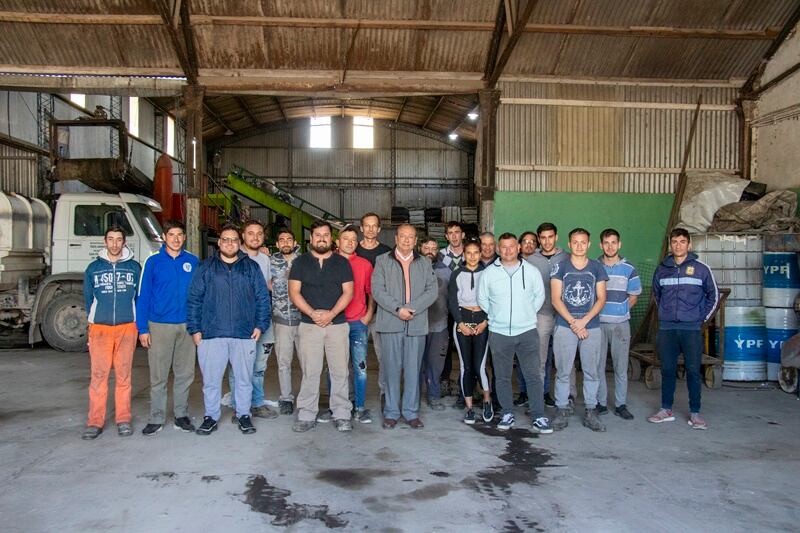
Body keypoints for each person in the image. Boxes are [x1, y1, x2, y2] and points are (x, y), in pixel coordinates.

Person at [186, 224, 271, 436]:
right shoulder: (206, 267)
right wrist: (195, 329)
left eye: (234, 239)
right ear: (219, 242)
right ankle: (211, 417)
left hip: (244, 334)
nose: (230, 243)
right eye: (226, 239)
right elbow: (194, 299)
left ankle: (243, 415)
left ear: (238, 242)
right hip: (211, 334)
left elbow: (262, 297)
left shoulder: (251, 267)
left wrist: (260, 325)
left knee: (244, 380)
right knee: (211, 382)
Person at [477, 233, 551, 433]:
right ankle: (507, 413)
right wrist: (496, 316)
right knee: (502, 376)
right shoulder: (489, 273)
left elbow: (539, 297)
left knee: (533, 375)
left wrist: (526, 315)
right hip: (499, 333)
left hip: (527, 331)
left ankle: (538, 416)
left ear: (518, 248)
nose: (508, 250)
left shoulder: (532, 271)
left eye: (512, 246)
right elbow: (482, 299)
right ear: (498, 249)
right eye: (504, 247)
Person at [649, 228, 718, 430]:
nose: (678, 245)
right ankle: (665, 409)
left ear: (689, 245)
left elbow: (712, 297)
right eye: (674, 242)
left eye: (682, 241)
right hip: (667, 327)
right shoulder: (661, 269)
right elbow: (657, 295)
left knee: (693, 370)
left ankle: (695, 413)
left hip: (691, 328)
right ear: (670, 245)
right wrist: (665, 313)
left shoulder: (701, 269)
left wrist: (699, 318)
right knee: (668, 369)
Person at [289, 221, 354, 433]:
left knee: (340, 371)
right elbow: (294, 292)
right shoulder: (300, 263)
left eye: (326, 235)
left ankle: (342, 413)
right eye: (318, 235)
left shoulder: (342, 263)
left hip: (337, 325)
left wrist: (332, 314)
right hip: (309, 325)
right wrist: (312, 313)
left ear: (331, 238)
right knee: (310, 371)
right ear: (311, 238)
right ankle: (307, 413)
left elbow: (348, 292)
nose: (322, 238)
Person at [136, 220, 199, 437]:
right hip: (159, 325)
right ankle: (156, 417)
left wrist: (197, 324)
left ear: (184, 237)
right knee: (159, 375)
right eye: (171, 235)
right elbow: (143, 296)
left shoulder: (193, 261)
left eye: (179, 234)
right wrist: (142, 328)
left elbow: (199, 295)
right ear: (164, 237)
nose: (176, 239)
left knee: (185, 374)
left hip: (187, 325)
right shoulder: (153, 262)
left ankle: (181, 416)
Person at [372, 224, 438, 429]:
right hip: (391, 322)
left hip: (416, 324)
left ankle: (411, 412)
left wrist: (412, 308)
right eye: (403, 236)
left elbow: (432, 290)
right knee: (391, 370)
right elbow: (377, 290)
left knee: (412, 370)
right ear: (396, 239)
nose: (407, 240)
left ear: (416, 241)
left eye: (411, 237)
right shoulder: (382, 261)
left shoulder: (425, 263)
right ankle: (391, 412)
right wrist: (398, 309)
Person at [81, 227, 141, 440]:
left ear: (125, 242)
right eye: (111, 239)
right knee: (99, 375)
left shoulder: (135, 268)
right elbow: (88, 299)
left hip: (127, 327)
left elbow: (138, 298)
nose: (115, 244)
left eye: (119, 240)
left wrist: (137, 324)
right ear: (104, 241)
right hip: (100, 329)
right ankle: (95, 421)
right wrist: (95, 321)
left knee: (124, 376)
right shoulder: (93, 268)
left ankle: (123, 419)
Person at [550, 228, 609, 432]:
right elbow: (556, 298)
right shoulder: (560, 266)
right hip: (565, 326)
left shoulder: (596, 267)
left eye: (583, 242)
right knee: (563, 371)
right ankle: (561, 408)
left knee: (591, 371)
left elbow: (601, 298)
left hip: (590, 326)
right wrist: (574, 322)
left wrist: (583, 321)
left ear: (589, 244)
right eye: (575, 242)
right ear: (569, 243)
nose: (579, 246)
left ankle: (591, 410)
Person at [228, 220, 279, 420]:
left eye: (259, 233)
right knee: (237, 366)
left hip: (263, 319)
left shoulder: (266, 260)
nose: (255, 237)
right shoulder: (233, 257)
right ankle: (238, 405)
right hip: (241, 321)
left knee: (259, 365)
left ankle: (257, 403)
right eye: (251, 233)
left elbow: (268, 286)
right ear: (243, 236)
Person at [597, 228, 642, 420]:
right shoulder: (594, 266)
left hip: (620, 325)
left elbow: (633, 296)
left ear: (619, 244)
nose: (610, 246)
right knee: (597, 366)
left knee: (620, 366)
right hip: (597, 324)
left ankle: (620, 404)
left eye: (613, 242)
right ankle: (600, 403)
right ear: (601, 245)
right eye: (606, 243)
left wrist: (621, 311)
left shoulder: (629, 268)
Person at [525, 222, 570, 408]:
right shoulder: (530, 260)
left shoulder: (567, 257)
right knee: (539, 360)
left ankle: (568, 397)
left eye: (550, 237)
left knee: (565, 360)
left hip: (564, 315)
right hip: (541, 315)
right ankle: (538, 399)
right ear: (538, 240)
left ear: (556, 237)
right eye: (543, 238)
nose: (547, 241)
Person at [449, 241, 492, 424]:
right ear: (464, 255)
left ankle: (487, 401)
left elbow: (494, 298)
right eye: (469, 253)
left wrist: (486, 321)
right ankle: (468, 407)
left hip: (482, 320)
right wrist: (460, 323)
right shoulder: (457, 274)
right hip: (463, 320)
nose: (473, 256)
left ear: (481, 253)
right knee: (466, 366)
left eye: (476, 252)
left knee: (479, 365)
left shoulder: (489, 273)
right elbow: (452, 301)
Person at [337, 225, 375, 424]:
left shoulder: (365, 264)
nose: (350, 243)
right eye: (346, 239)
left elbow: (371, 293)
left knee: (360, 367)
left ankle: (359, 407)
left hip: (358, 323)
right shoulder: (329, 262)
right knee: (336, 368)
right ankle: (338, 407)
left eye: (353, 239)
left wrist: (368, 315)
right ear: (338, 242)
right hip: (335, 324)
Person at [356, 213, 392, 400]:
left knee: (383, 356)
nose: (370, 229)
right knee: (355, 356)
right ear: (361, 228)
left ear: (379, 229)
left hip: (381, 314)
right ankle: (353, 395)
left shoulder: (386, 252)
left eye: (374, 226)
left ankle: (384, 392)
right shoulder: (352, 250)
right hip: (356, 313)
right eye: (366, 226)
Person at [270, 228, 302, 415]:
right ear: (277, 244)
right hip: (281, 320)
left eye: (289, 239)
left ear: (295, 242)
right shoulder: (270, 261)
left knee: (307, 362)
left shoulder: (304, 261)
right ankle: (286, 398)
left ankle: (306, 397)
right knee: (284, 361)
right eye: (282, 240)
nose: (286, 243)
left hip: (303, 319)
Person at [419, 236, 450, 411]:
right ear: (420, 247)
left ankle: (434, 395)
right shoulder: (412, 268)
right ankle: (413, 397)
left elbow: (453, 297)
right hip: (416, 324)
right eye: (426, 246)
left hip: (439, 324)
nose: (430, 250)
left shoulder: (446, 271)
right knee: (414, 363)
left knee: (435, 364)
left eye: (434, 247)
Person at [437, 221, 466, 402]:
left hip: (466, 309)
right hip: (445, 308)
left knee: (465, 346)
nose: (454, 236)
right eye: (450, 233)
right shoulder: (440, 256)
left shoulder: (471, 253)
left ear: (462, 235)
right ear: (446, 236)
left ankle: (467, 383)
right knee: (445, 346)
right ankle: (444, 379)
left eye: (457, 232)